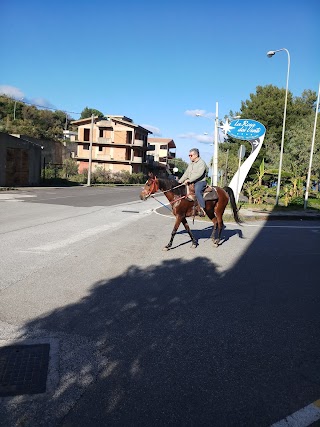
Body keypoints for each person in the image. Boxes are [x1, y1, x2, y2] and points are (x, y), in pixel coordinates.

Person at [178, 148, 207, 216]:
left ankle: (202, 209)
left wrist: (189, 180)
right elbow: (186, 174)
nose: (189, 157)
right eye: (189, 155)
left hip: (200, 182)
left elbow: (199, 174)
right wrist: (179, 181)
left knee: (197, 192)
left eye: (191, 155)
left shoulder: (201, 163)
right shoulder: (191, 164)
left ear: (196, 155)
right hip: (191, 182)